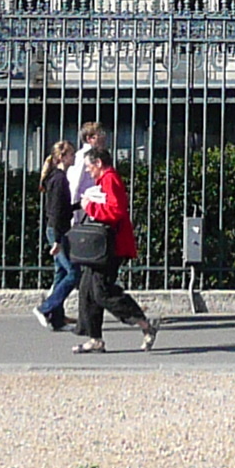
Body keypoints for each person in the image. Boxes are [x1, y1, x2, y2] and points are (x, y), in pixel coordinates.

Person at [68, 142, 159, 352]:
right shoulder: (105, 179)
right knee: (87, 290)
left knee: (101, 291)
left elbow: (114, 211)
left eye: (90, 168)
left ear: (99, 163)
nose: (89, 173)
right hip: (103, 245)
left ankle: (143, 323)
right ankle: (94, 337)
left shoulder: (110, 179)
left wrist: (89, 205)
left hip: (112, 245)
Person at [31, 141, 79, 333]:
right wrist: (58, 240)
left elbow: (62, 209)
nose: (74, 157)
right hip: (58, 231)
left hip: (57, 229)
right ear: (62, 157)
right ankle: (45, 308)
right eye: (71, 154)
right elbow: (56, 212)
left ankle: (57, 319)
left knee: (61, 273)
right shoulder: (59, 179)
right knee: (73, 273)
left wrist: (79, 205)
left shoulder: (56, 178)